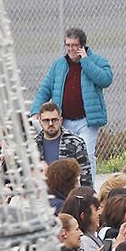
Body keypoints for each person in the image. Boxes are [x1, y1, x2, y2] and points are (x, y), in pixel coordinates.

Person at [30, 27, 111, 172]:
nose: (70, 49)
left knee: (86, 155)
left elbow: (105, 80)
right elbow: (45, 88)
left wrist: (86, 62)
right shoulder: (59, 65)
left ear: (82, 46)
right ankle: (66, 189)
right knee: (64, 157)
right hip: (64, 120)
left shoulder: (97, 61)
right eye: (68, 45)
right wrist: (36, 110)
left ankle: (88, 191)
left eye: (74, 45)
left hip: (87, 121)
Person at [32, 102, 93, 187]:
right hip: (42, 194)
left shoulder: (76, 142)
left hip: (68, 194)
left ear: (60, 120)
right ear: (40, 122)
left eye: (54, 120)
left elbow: (86, 175)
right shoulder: (32, 145)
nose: (50, 124)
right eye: (46, 120)